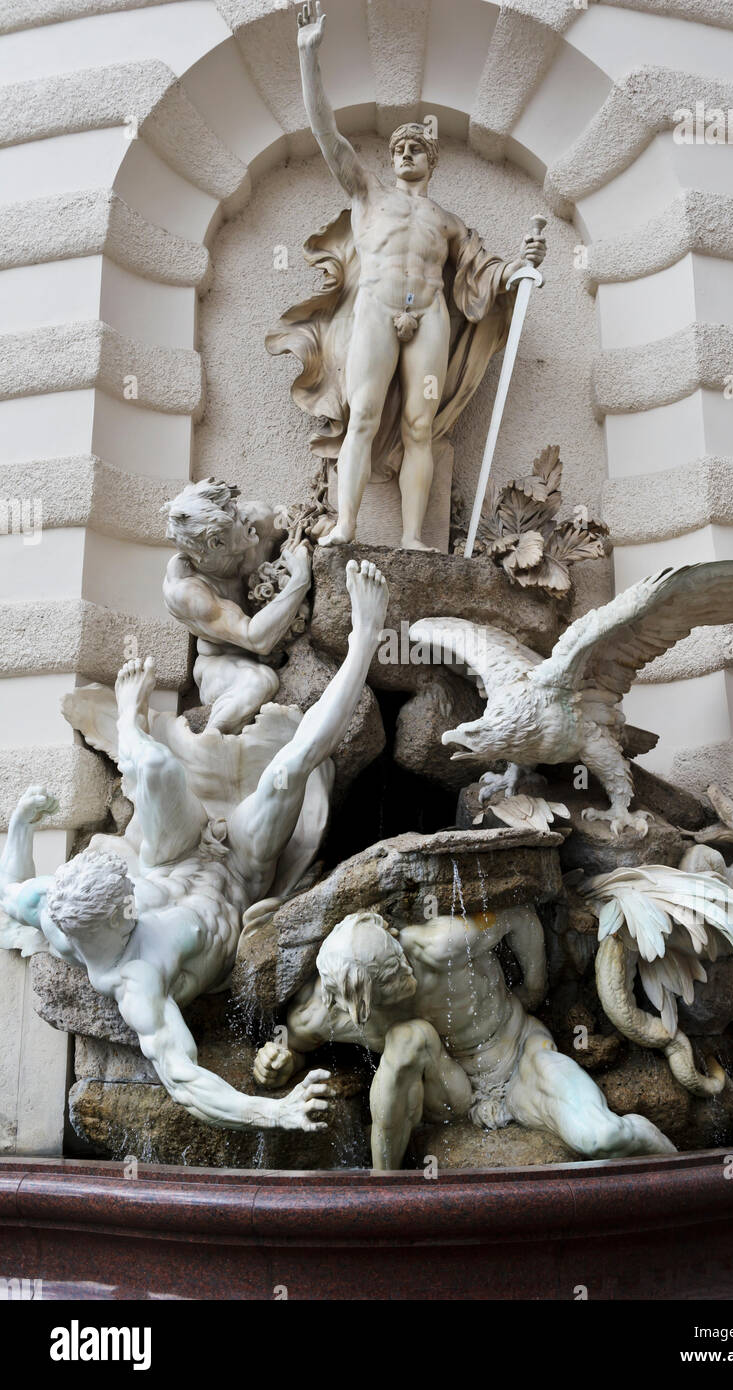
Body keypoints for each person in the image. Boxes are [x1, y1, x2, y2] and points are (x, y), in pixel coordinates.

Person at [0, 560, 390, 1134]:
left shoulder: (56, 906)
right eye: (122, 896)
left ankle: (133, 730)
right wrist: (273, 1112)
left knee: (156, 764)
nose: (126, 889)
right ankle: (364, 642)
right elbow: (185, 1082)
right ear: (114, 920)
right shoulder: (140, 983)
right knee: (288, 774)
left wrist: (20, 827)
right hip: (243, 876)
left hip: (174, 856)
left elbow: (9, 893)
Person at [268, 1, 546, 551]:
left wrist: (524, 263)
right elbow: (326, 134)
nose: (405, 152)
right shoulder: (367, 193)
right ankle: (346, 526)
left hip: (430, 315)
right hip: (375, 307)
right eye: (398, 147)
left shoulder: (446, 221)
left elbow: (484, 272)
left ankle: (414, 538)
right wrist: (308, 57)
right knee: (363, 416)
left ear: (431, 159)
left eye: (416, 147)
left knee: (423, 426)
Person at [254, 905, 676, 1167]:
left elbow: (520, 917)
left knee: (606, 1137)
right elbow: (289, 1041)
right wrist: (276, 1059)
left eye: (394, 974)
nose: (401, 984)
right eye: (381, 992)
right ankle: (384, 1190)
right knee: (408, 1038)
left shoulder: (443, 944)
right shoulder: (334, 1009)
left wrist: (534, 987)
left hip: (517, 1056)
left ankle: (686, 1179)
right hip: (451, 1093)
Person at [163, 478, 311, 733]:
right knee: (259, 682)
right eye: (234, 514)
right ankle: (208, 750)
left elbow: (301, 524)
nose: (244, 514)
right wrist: (300, 581)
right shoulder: (188, 590)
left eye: (235, 505)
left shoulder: (258, 520)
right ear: (216, 543)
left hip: (282, 647)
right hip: (225, 664)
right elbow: (257, 639)